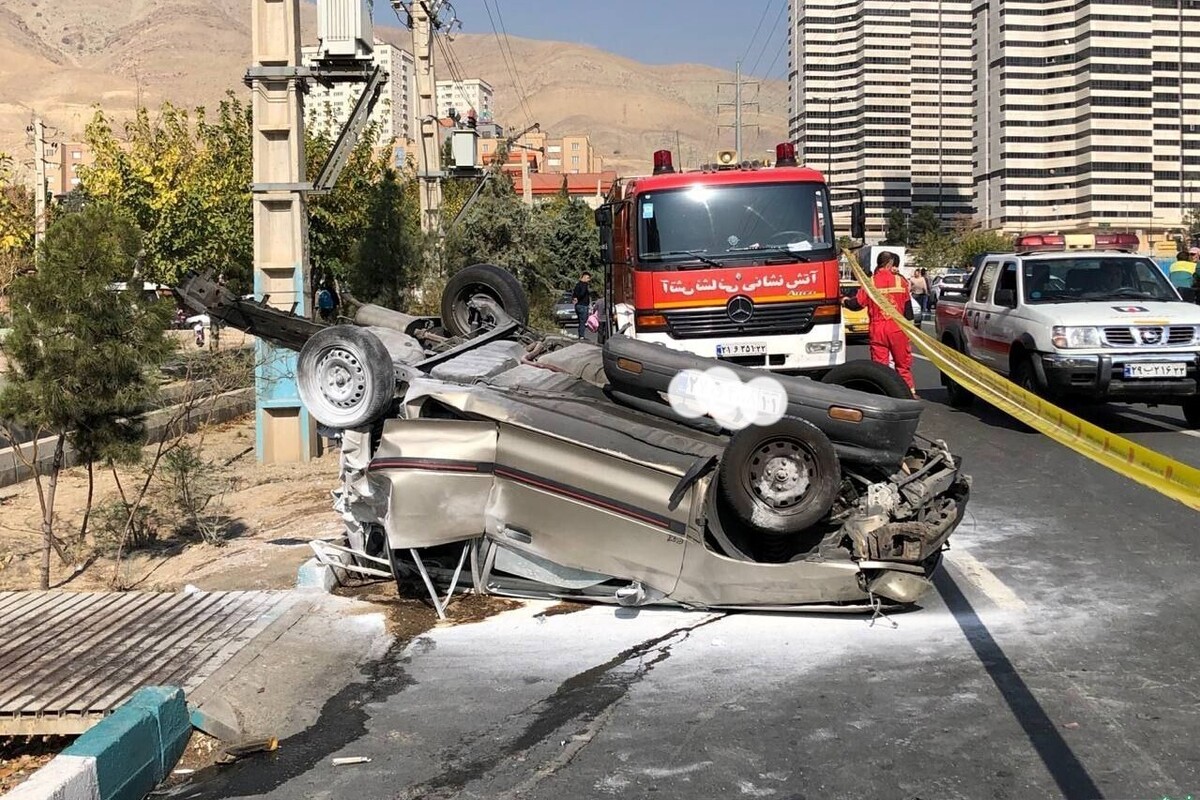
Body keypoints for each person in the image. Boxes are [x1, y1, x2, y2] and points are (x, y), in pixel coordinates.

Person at [842, 251, 916, 397]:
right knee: (902, 364)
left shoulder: (870, 282)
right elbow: (908, 311)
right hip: (897, 328)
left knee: (880, 367)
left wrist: (844, 300)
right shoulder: (900, 281)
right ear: (890, 264)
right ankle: (909, 392)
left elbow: (856, 304)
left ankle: (883, 394)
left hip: (878, 329)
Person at [571, 271, 592, 339]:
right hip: (583, 305)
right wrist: (578, 298)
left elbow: (574, 294)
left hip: (577, 306)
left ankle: (580, 334)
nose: (589, 280)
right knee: (583, 320)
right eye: (588, 278)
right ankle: (581, 336)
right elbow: (582, 293)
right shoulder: (584, 285)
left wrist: (574, 299)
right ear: (585, 277)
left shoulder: (577, 285)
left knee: (580, 321)